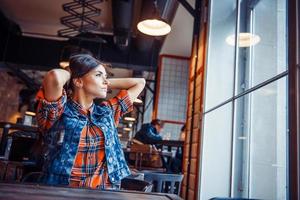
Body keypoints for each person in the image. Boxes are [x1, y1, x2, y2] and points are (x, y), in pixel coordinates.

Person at [35, 54, 145, 190]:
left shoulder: (107, 112)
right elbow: (54, 77)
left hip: (105, 191)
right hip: (62, 191)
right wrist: (72, 73)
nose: (105, 81)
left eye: (105, 77)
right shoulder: (59, 112)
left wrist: (104, 81)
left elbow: (140, 82)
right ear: (78, 81)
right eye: (98, 75)